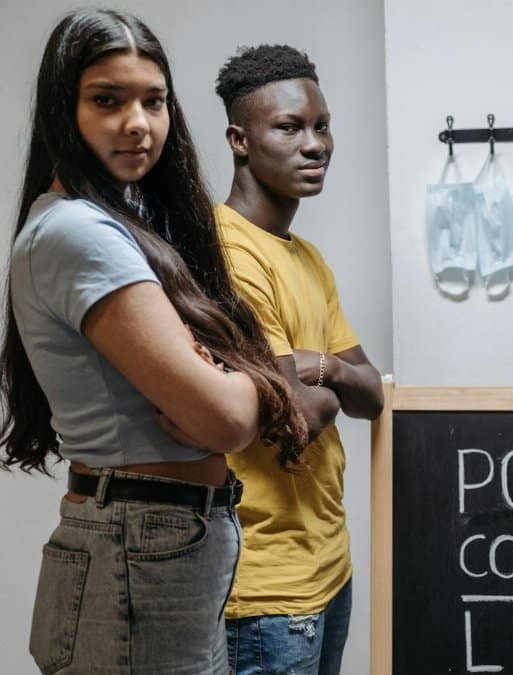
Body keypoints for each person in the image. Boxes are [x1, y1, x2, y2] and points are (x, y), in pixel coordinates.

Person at [0, 9, 307, 672]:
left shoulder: (123, 221)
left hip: (158, 546)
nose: (139, 122)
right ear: (62, 109)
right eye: (108, 100)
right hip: (134, 550)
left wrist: (231, 370)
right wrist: (248, 376)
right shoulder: (81, 235)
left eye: (154, 100)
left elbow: (224, 397)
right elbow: (224, 416)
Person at [213, 44, 384, 675]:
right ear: (240, 139)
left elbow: (371, 395)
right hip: (265, 584)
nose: (315, 144)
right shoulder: (228, 254)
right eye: (288, 127)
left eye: (322, 125)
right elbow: (292, 417)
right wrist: (310, 383)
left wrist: (324, 370)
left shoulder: (307, 258)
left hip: (328, 566)